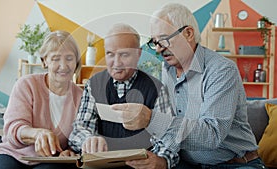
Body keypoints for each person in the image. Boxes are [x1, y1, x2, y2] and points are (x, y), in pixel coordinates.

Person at [125, 3, 268, 169]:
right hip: (187, 163)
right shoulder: (167, 70)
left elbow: (212, 135)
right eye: (154, 42)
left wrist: (152, 119)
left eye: (164, 40)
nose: (158, 49)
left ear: (188, 33)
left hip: (233, 164)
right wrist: (163, 159)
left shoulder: (221, 70)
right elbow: (170, 126)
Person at [68, 23, 176, 169]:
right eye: (110, 54)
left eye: (124, 54)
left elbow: (168, 136)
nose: (116, 62)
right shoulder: (94, 84)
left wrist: (161, 160)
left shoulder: (156, 88)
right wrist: (88, 140)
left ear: (138, 54)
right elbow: (79, 129)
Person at [0, 30, 83, 169]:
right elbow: (14, 127)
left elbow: (79, 135)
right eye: (56, 58)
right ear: (45, 61)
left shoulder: (81, 96)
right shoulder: (26, 84)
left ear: (76, 61)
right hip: (14, 154)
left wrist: (70, 152)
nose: (63, 65)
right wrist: (37, 133)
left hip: (51, 160)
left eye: (69, 58)